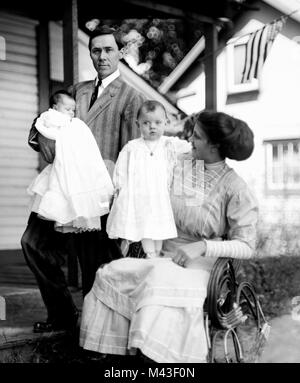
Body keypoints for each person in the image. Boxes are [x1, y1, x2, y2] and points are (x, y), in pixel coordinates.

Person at [79, 110, 258, 363]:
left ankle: (155, 357)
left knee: (156, 282)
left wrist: (203, 246)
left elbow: (247, 246)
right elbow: (146, 167)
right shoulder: (185, 163)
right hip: (164, 255)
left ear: (214, 146)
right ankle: (117, 355)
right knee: (111, 271)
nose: (190, 140)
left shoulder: (235, 188)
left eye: (196, 137)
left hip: (202, 268)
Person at [21, 25, 146, 333]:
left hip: (98, 196)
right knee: (33, 244)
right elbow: (43, 127)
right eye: (95, 50)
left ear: (120, 52)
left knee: (95, 268)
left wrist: (121, 192)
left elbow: (134, 153)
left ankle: (95, 335)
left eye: (107, 49)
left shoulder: (132, 98)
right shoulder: (77, 91)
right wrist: (45, 139)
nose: (101, 56)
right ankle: (62, 316)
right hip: (61, 189)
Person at [107, 100, 191, 258]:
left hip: (160, 195)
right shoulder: (132, 147)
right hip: (139, 196)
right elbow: (120, 171)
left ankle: (157, 253)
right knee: (144, 224)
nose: (152, 126)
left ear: (166, 123)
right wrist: (121, 189)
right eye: (146, 123)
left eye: (158, 122)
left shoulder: (169, 144)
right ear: (138, 124)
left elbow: (189, 148)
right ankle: (149, 253)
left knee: (158, 225)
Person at [27, 90, 114, 233]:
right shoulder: (50, 117)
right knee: (60, 187)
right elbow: (45, 129)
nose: (71, 113)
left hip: (80, 166)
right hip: (61, 164)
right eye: (67, 109)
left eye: (73, 110)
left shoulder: (76, 124)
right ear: (55, 108)